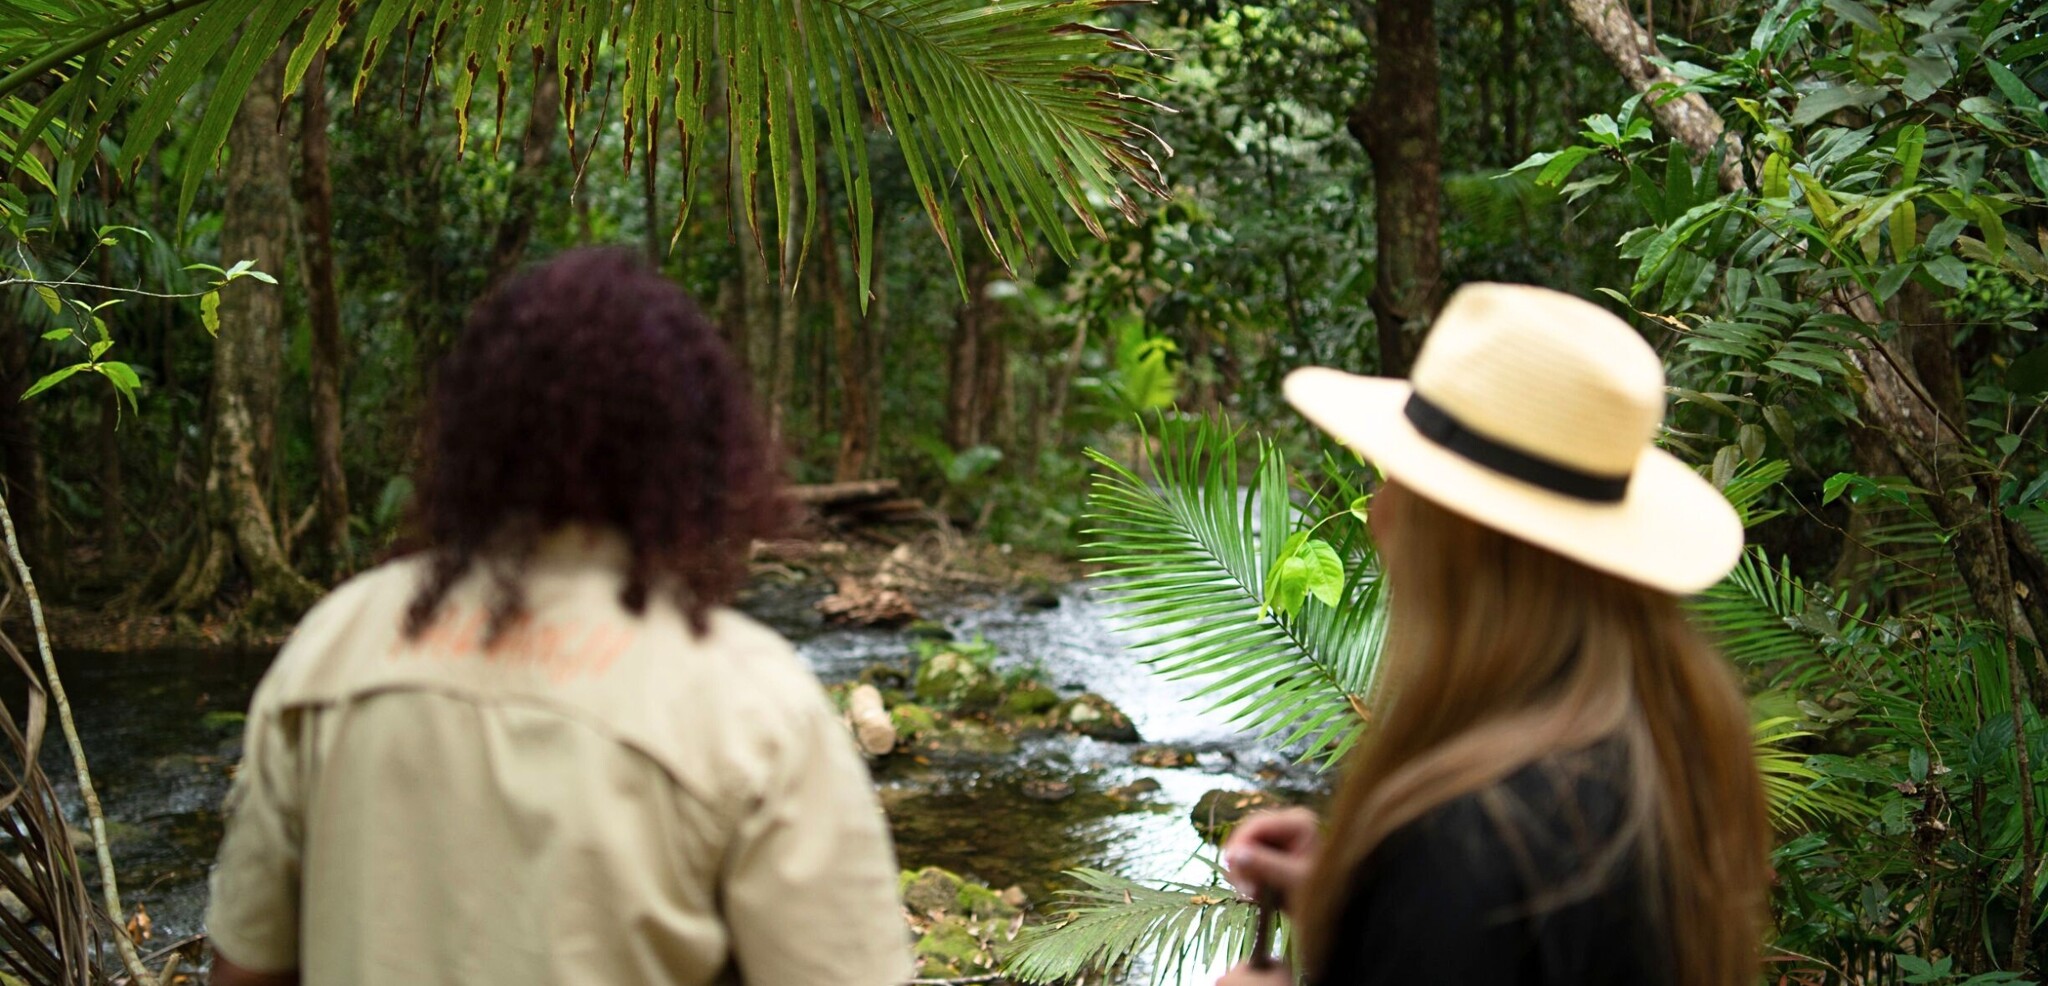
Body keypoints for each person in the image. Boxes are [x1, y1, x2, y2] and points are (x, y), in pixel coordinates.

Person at [205, 248, 911, 986]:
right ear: (692, 453)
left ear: (474, 434)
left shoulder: (337, 645)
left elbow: (246, 967)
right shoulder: (749, 705)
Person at [1218, 283, 1771, 986]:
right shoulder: (1668, 742)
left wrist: (1405, 898)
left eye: (1403, 482)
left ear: (1463, 541)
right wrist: (1358, 902)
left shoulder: (1469, 835)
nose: (1378, 515)